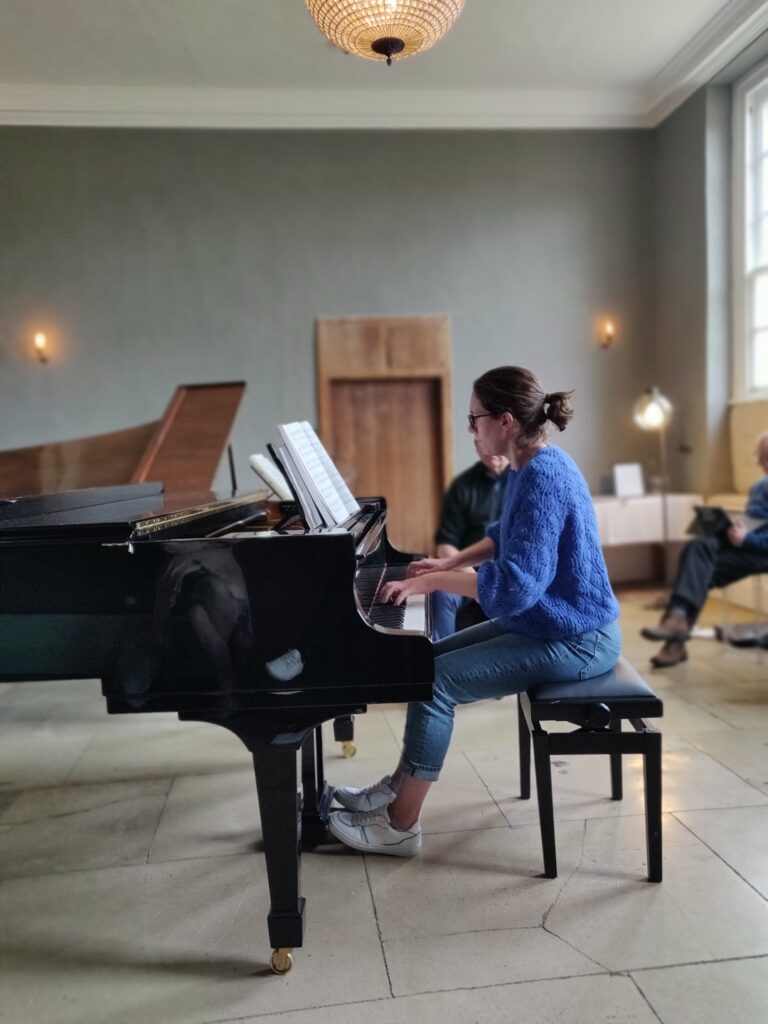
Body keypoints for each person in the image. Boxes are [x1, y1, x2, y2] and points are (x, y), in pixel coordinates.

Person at [328, 365, 622, 857]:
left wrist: (435, 579)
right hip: (553, 625)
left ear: (505, 421)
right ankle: (395, 789)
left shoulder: (544, 475)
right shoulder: (529, 466)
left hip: (579, 638)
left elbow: (515, 589)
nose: (470, 430)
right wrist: (451, 560)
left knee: (435, 683)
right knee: (429, 663)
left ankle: (400, 825)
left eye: (474, 419)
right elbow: (503, 537)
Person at [641, 431, 768, 668]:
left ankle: (675, 638)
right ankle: (677, 620)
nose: (762, 464)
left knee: (699, 570)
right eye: (760, 458)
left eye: (767, 459)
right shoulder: (759, 486)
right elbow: (755, 522)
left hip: (762, 553)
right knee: (699, 546)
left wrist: (748, 539)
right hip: (748, 546)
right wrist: (732, 529)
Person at [431, 439, 509, 641]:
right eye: (481, 444)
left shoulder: (524, 481)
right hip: (468, 571)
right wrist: (475, 583)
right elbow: (445, 545)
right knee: (441, 592)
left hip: (509, 574)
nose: (488, 449)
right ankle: (437, 659)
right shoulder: (463, 486)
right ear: (476, 447)